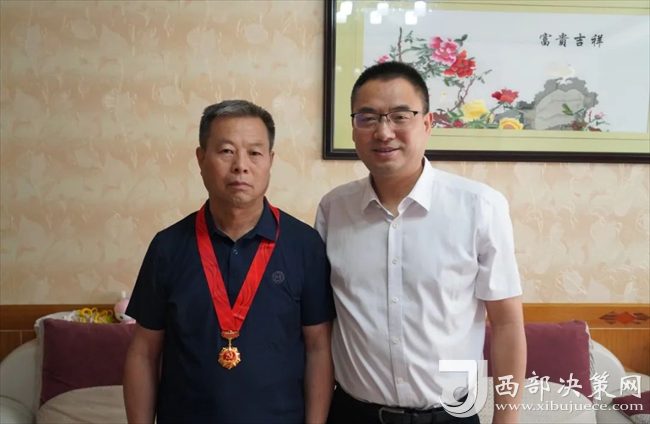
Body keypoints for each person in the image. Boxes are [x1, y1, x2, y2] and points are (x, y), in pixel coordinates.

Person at [315, 62, 526, 424]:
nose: (384, 132)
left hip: (451, 415)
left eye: (400, 116)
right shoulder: (334, 209)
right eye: (368, 118)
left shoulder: (480, 207)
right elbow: (321, 326)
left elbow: (507, 325)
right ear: (353, 129)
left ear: (427, 124)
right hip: (354, 413)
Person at [123, 100, 335, 424]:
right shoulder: (167, 247)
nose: (241, 166)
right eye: (226, 151)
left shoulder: (305, 245)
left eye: (254, 152)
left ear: (270, 160)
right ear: (201, 158)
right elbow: (143, 352)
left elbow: (318, 347)